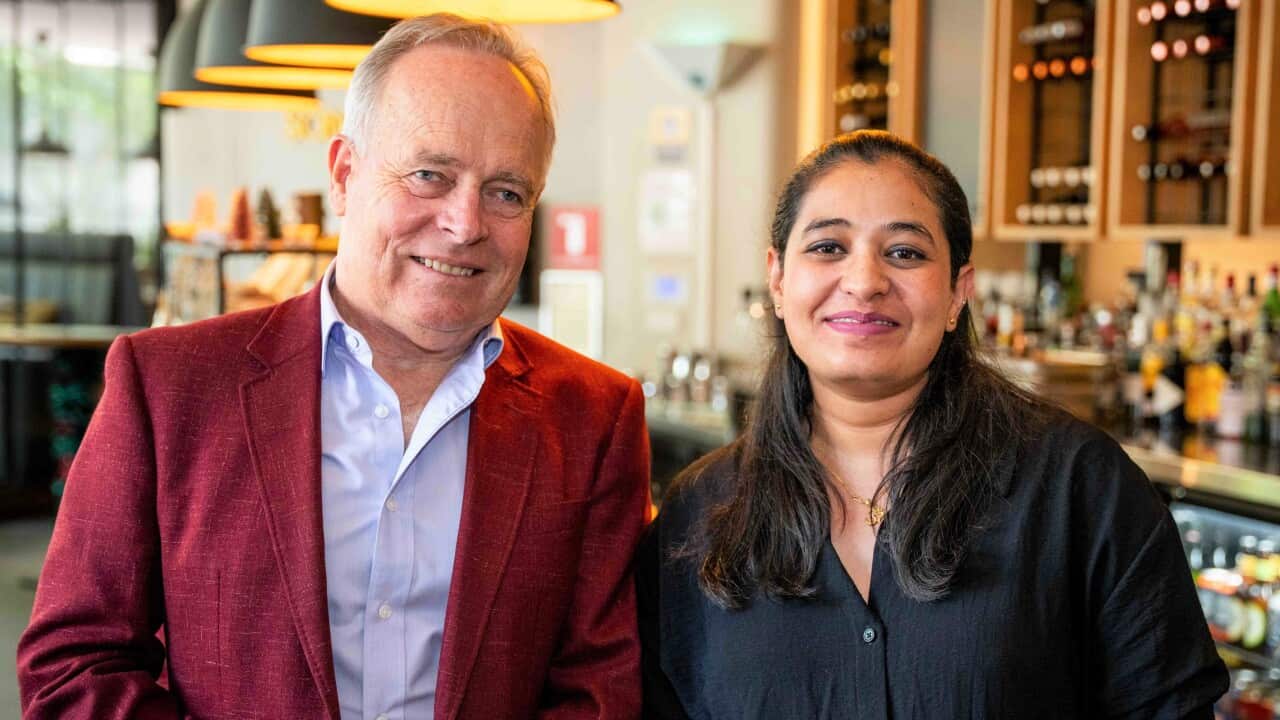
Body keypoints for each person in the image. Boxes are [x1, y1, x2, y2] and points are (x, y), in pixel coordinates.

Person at [19, 14, 650, 720]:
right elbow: (74, 665)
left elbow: (599, 692)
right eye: (429, 175)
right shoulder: (170, 386)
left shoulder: (594, 416)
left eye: (506, 192)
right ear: (345, 175)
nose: (465, 222)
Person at [637, 130, 1228, 719]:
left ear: (957, 293)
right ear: (778, 281)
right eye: (827, 247)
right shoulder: (700, 511)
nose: (865, 280)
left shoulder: (1080, 490)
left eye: (905, 252)